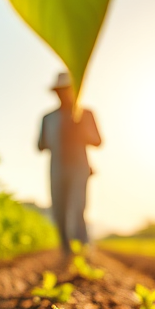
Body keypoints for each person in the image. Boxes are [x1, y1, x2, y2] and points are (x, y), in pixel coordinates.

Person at [38, 72, 102, 256]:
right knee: (58, 209)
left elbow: (98, 140)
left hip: (79, 167)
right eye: (60, 91)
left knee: (77, 207)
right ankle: (66, 251)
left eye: (67, 90)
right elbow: (41, 144)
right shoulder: (48, 118)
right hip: (57, 167)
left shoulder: (86, 114)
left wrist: (80, 129)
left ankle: (82, 247)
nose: (63, 94)